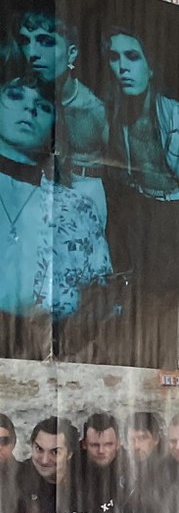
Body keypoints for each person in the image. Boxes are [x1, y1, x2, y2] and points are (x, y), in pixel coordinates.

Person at [0, 58, 111, 320]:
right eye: (15, 96)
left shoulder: (77, 210)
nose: (29, 109)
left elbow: (99, 308)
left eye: (43, 106)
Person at [101, 25, 179, 202]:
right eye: (114, 58)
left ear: (150, 68)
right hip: (138, 206)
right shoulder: (111, 120)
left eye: (132, 56)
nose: (123, 67)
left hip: (178, 205)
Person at [14, 10, 107, 176]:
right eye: (25, 41)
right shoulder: (12, 97)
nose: (32, 53)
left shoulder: (96, 109)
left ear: (71, 53)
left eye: (46, 42)